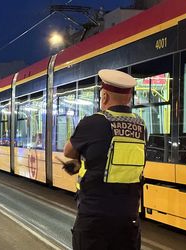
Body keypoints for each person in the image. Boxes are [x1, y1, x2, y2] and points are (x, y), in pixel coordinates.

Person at [63, 69, 146, 250]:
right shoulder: (141, 126)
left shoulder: (92, 122)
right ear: (129, 97)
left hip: (95, 217)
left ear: (104, 96)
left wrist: (79, 159)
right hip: (129, 217)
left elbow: (68, 151)